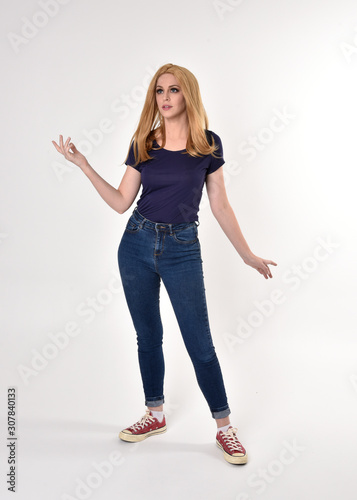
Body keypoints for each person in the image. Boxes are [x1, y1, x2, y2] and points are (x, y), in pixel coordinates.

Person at [52, 63, 277, 465]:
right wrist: (84, 166)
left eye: (173, 90)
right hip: (136, 244)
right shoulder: (145, 141)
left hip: (181, 248)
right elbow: (122, 202)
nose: (166, 98)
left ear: (187, 94)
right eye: (159, 91)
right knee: (147, 335)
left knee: (200, 345)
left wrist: (247, 254)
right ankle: (154, 414)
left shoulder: (208, 144)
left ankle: (225, 429)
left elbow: (220, 204)